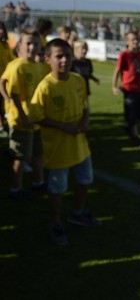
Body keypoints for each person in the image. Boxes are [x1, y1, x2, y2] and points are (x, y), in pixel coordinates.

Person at [29, 38, 98, 245]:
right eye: (59, 56)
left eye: (67, 55)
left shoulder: (77, 80)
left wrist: (85, 119)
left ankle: (78, 212)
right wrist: (63, 126)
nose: (64, 60)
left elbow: (84, 105)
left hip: (80, 145)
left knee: (85, 180)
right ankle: (56, 224)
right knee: (57, 188)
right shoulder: (45, 87)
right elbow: (37, 116)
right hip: (58, 149)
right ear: (48, 59)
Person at [0, 28, 49, 200]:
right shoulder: (18, 66)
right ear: (20, 45)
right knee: (20, 157)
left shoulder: (38, 66)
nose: (32, 47)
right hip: (22, 121)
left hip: (36, 119)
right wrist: (21, 115)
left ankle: (38, 181)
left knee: (38, 153)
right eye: (28, 43)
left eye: (35, 44)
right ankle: (16, 188)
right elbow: (13, 93)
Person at [112, 32, 140, 147]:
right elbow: (117, 71)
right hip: (129, 89)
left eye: (137, 39)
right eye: (132, 39)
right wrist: (114, 86)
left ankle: (128, 126)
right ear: (127, 41)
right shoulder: (124, 55)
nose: (135, 41)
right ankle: (136, 137)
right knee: (132, 115)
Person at [71, 40, 100, 108]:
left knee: (85, 111)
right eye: (82, 49)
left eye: (86, 48)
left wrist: (95, 79)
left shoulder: (88, 62)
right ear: (76, 49)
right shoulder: (72, 62)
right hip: (73, 92)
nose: (84, 51)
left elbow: (88, 74)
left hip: (85, 91)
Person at [0, 21, 15, 131]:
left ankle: (4, 123)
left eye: (2, 29)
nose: (1, 31)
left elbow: (12, 59)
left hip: (4, 79)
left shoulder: (5, 45)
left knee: (4, 101)